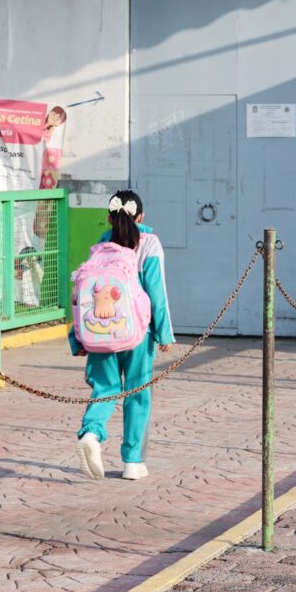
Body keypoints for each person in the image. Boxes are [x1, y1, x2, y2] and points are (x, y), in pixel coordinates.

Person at [72, 190, 175, 481]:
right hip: (137, 333)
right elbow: (157, 291)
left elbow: (83, 294)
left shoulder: (101, 245)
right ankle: (132, 462)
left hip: (99, 333)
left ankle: (91, 434)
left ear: (108, 217)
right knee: (137, 393)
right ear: (141, 217)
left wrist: (76, 338)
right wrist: (164, 332)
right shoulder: (150, 243)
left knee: (104, 388)